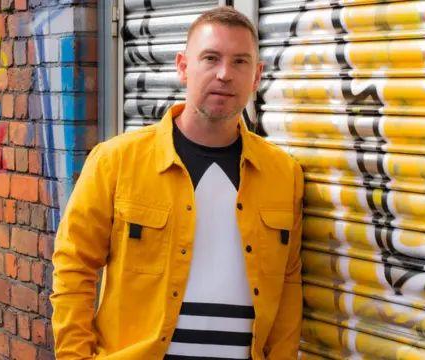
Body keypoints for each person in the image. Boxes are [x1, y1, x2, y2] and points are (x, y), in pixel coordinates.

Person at [51, 6, 304, 360]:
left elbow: (289, 284)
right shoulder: (116, 161)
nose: (224, 74)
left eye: (240, 62)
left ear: (257, 74)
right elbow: (73, 266)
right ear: (183, 66)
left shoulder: (283, 174)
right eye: (211, 58)